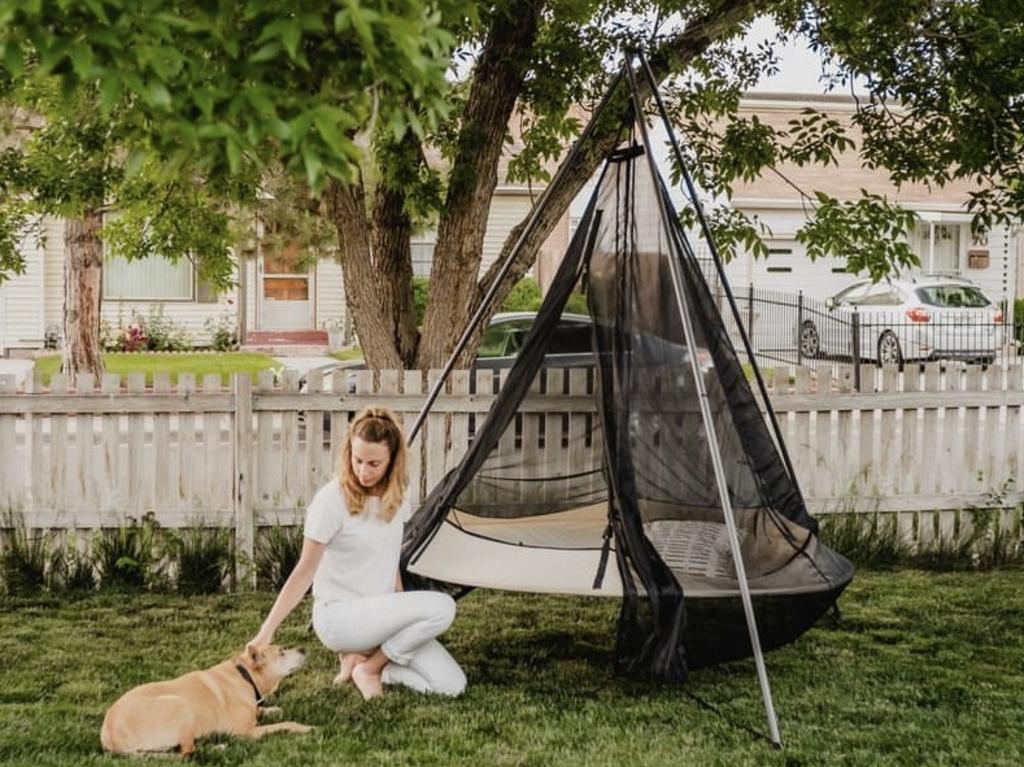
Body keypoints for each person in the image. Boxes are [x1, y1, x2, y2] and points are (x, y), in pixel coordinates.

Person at [248, 406, 465, 699]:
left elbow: (390, 560)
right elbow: (303, 572)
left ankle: (368, 665)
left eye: (374, 463)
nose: (364, 471)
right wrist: (267, 631)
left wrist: (404, 609)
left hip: (381, 615)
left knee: (452, 686)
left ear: (392, 461)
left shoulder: (399, 495)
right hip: (340, 619)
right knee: (443, 607)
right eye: (358, 460)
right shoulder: (330, 501)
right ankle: (370, 667)